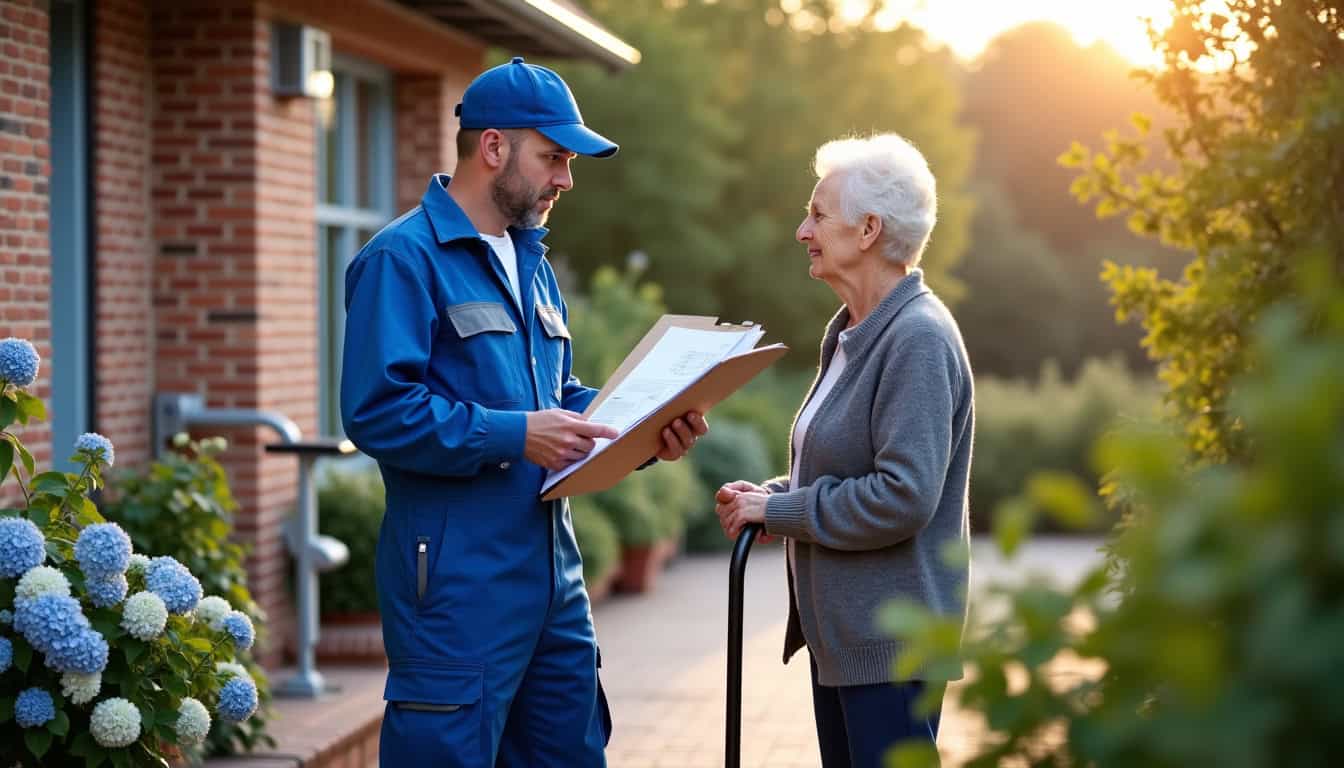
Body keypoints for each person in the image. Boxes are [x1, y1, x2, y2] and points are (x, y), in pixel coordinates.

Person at [341, 57, 707, 767]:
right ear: (493, 147)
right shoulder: (402, 259)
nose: (565, 180)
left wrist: (643, 426)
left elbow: (557, 396)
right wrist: (515, 434)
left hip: (555, 586)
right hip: (454, 588)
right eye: (554, 158)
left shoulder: (531, 263)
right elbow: (378, 413)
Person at [714, 133, 974, 768]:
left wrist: (781, 515)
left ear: (868, 231)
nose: (803, 230)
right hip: (851, 642)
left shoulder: (915, 338)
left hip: (892, 645)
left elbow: (903, 497)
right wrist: (771, 496)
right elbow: (848, 467)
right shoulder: (856, 334)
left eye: (818, 214)